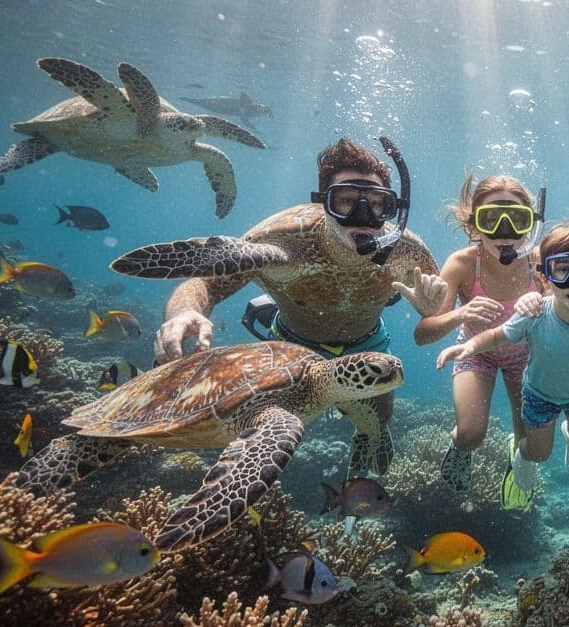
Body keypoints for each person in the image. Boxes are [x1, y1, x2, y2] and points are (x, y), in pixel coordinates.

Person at [150, 137, 445, 478]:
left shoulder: (407, 251)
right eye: (346, 201)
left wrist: (430, 310)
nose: (362, 216)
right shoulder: (279, 241)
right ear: (324, 203)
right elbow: (203, 282)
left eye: (376, 203)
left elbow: (436, 314)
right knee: (263, 424)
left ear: (391, 207)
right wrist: (185, 313)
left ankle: (365, 447)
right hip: (291, 346)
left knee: (380, 419)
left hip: (367, 342)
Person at [437, 215, 569, 509]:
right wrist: (469, 346)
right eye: (563, 270)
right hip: (539, 397)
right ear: (545, 277)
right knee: (537, 454)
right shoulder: (535, 311)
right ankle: (520, 454)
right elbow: (496, 336)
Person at [414, 174, 543, 492]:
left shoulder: (540, 263)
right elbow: (422, 334)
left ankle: (519, 449)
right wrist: (460, 313)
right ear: (474, 225)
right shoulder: (461, 264)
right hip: (476, 353)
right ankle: (458, 447)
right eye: (490, 218)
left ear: (530, 224)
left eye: (516, 218)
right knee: (471, 435)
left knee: (534, 448)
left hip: (525, 359)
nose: (504, 230)